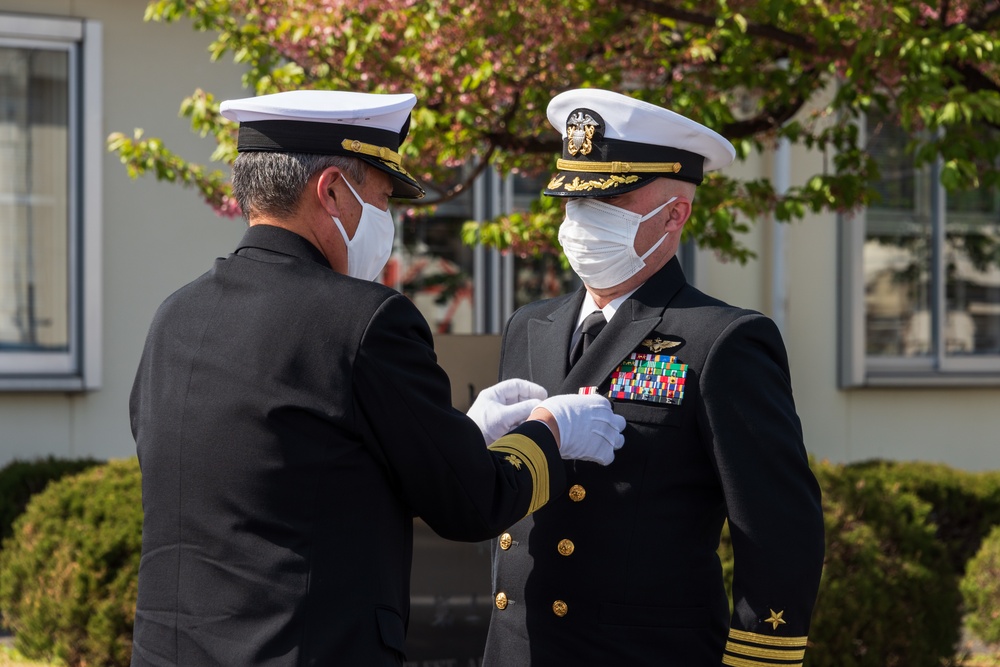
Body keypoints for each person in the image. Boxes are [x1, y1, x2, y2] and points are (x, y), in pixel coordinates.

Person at [128, 89, 627, 667]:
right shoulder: (364, 319)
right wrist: (549, 430)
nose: (388, 219)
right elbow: (472, 503)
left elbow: (275, 477)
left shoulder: (176, 314)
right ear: (334, 189)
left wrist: (454, 436)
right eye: (383, 197)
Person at [482, 88, 826, 666]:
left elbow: (777, 529)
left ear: (675, 215)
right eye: (575, 203)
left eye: (607, 206)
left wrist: (758, 658)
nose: (582, 222)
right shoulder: (530, 325)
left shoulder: (722, 340)